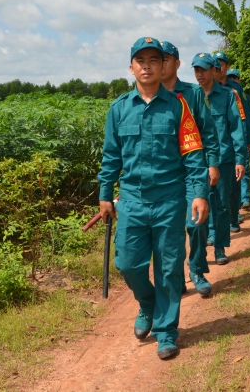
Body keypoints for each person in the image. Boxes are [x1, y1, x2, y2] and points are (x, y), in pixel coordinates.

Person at [97, 37, 209, 360]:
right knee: (127, 264)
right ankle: (147, 302)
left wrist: (198, 193)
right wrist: (105, 195)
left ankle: (166, 331)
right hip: (131, 202)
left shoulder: (178, 106)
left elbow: (193, 154)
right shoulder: (119, 110)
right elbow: (110, 158)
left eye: (154, 61)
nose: (147, 66)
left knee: (170, 268)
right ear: (131, 67)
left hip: (169, 201)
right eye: (140, 60)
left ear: (163, 67)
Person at [161, 41, 220, 297]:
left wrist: (213, 164)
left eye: (166, 59)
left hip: (193, 170)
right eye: (157, 59)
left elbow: (208, 132)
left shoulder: (193, 94)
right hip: (165, 175)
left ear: (176, 63)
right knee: (169, 231)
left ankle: (196, 268)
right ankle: (175, 277)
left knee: (196, 224)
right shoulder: (149, 95)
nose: (161, 64)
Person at [192, 53, 247, 266]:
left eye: (203, 70)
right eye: (196, 70)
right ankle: (202, 247)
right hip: (197, 162)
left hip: (223, 160)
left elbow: (236, 129)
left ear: (214, 71)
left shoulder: (228, 95)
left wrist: (240, 159)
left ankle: (220, 246)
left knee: (222, 204)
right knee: (199, 204)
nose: (200, 74)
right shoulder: (190, 96)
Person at [211, 51, 250, 233]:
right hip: (215, 144)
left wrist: (249, 138)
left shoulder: (234, 89)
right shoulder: (205, 89)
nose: (217, 68)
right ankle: (217, 222)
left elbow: (244, 115)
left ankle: (234, 214)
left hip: (233, 141)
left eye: (221, 64)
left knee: (234, 181)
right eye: (214, 65)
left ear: (227, 66)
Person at [227, 68, 250, 212]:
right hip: (229, 140)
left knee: (244, 168)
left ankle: (245, 199)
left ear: (239, 80)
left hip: (242, 137)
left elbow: (248, 118)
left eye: (235, 78)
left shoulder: (244, 97)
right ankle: (235, 208)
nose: (232, 80)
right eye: (230, 78)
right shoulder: (223, 95)